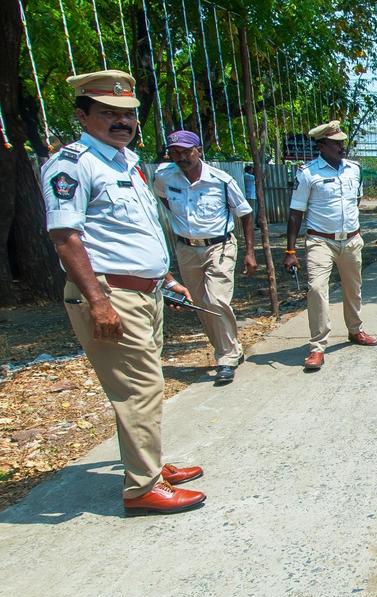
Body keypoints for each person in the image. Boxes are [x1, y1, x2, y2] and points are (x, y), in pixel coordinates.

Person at [40, 69, 206, 515]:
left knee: (143, 387)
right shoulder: (72, 164)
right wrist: (98, 301)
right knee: (139, 389)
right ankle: (142, 488)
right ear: (82, 115)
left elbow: (137, 230)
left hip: (145, 293)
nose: (122, 122)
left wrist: (165, 277)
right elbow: (65, 237)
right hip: (113, 296)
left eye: (127, 114)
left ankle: (147, 464)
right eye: (108, 113)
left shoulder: (126, 161)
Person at [153, 130, 257, 384]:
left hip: (219, 246)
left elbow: (245, 213)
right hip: (186, 248)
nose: (181, 157)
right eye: (175, 152)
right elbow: (164, 200)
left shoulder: (221, 180)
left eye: (186, 152)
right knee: (200, 303)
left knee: (216, 299)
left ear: (198, 150)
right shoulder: (164, 177)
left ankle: (226, 356)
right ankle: (231, 347)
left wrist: (250, 252)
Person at [283, 120, 377, 371]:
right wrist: (290, 251)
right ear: (322, 145)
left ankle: (355, 330)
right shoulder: (307, 173)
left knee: (353, 288)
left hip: (351, 239)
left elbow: (355, 201)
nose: (341, 147)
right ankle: (317, 347)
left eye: (342, 142)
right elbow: (295, 213)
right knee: (316, 289)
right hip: (320, 240)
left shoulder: (354, 170)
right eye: (335, 143)